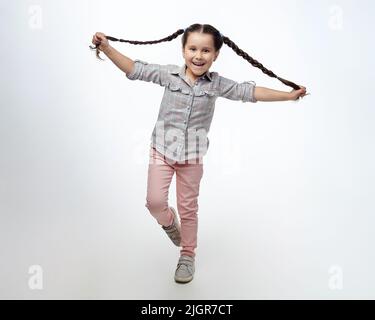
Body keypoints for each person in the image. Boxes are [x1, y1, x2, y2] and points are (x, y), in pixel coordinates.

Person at [90, 23, 308, 284]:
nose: (198, 55)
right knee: (154, 202)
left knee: (189, 208)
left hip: (192, 157)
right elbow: (135, 69)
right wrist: (107, 47)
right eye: (193, 48)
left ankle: (187, 255)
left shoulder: (216, 85)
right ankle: (170, 224)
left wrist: (287, 95)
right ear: (183, 50)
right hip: (161, 150)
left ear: (215, 55)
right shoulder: (168, 75)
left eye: (206, 50)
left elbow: (250, 92)